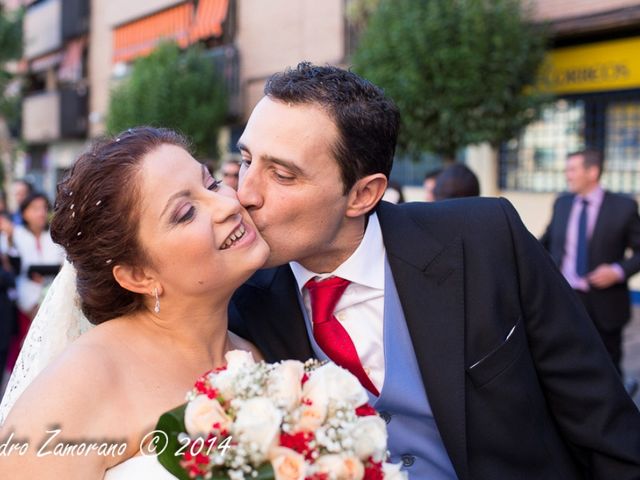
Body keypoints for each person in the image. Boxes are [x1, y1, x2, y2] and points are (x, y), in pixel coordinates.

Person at [229, 62, 640, 479]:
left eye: (282, 174)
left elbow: (603, 422)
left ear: (363, 194)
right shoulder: (240, 302)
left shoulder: (487, 240)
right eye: (245, 160)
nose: (244, 193)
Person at [0, 127, 270, 478]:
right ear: (138, 275)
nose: (229, 204)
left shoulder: (257, 358)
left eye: (212, 183)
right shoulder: (80, 386)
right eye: (186, 212)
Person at [540, 149, 640, 394]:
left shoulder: (623, 207)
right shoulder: (562, 203)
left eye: (572, 169)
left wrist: (617, 271)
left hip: (605, 302)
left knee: (609, 367)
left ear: (592, 172)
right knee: (567, 361)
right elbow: (545, 243)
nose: (567, 176)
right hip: (565, 299)